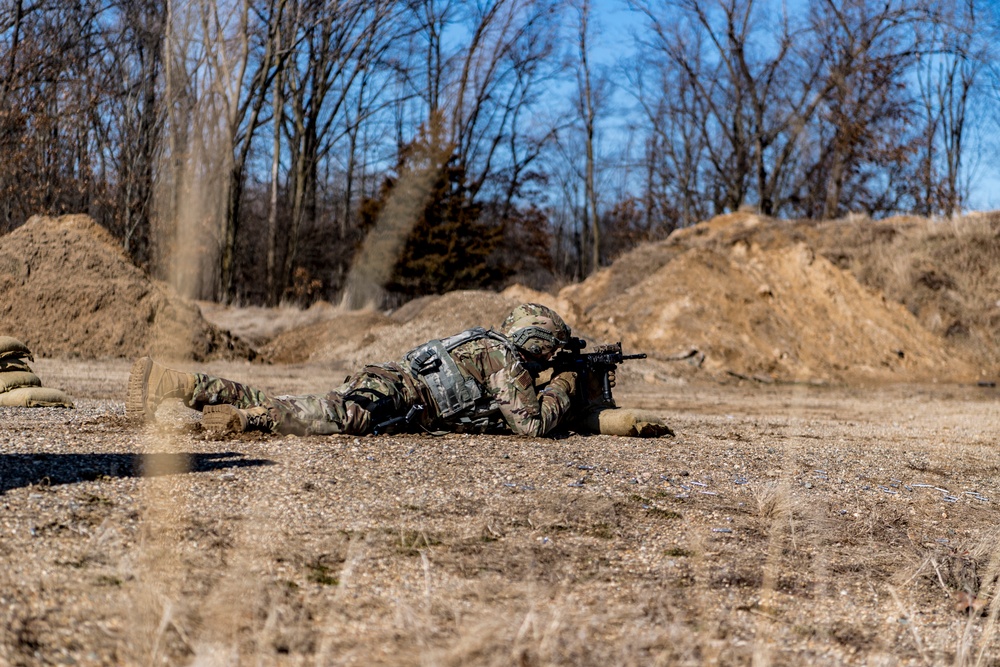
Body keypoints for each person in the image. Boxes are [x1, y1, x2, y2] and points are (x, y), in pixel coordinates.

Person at [126, 303, 580, 437]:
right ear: (537, 345)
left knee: (324, 408)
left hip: (385, 381)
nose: (551, 360)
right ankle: (249, 417)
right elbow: (531, 425)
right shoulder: (507, 359)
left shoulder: (482, 341)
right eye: (552, 353)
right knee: (330, 415)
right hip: (396, 398)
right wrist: (566, 382)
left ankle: (183, 385)